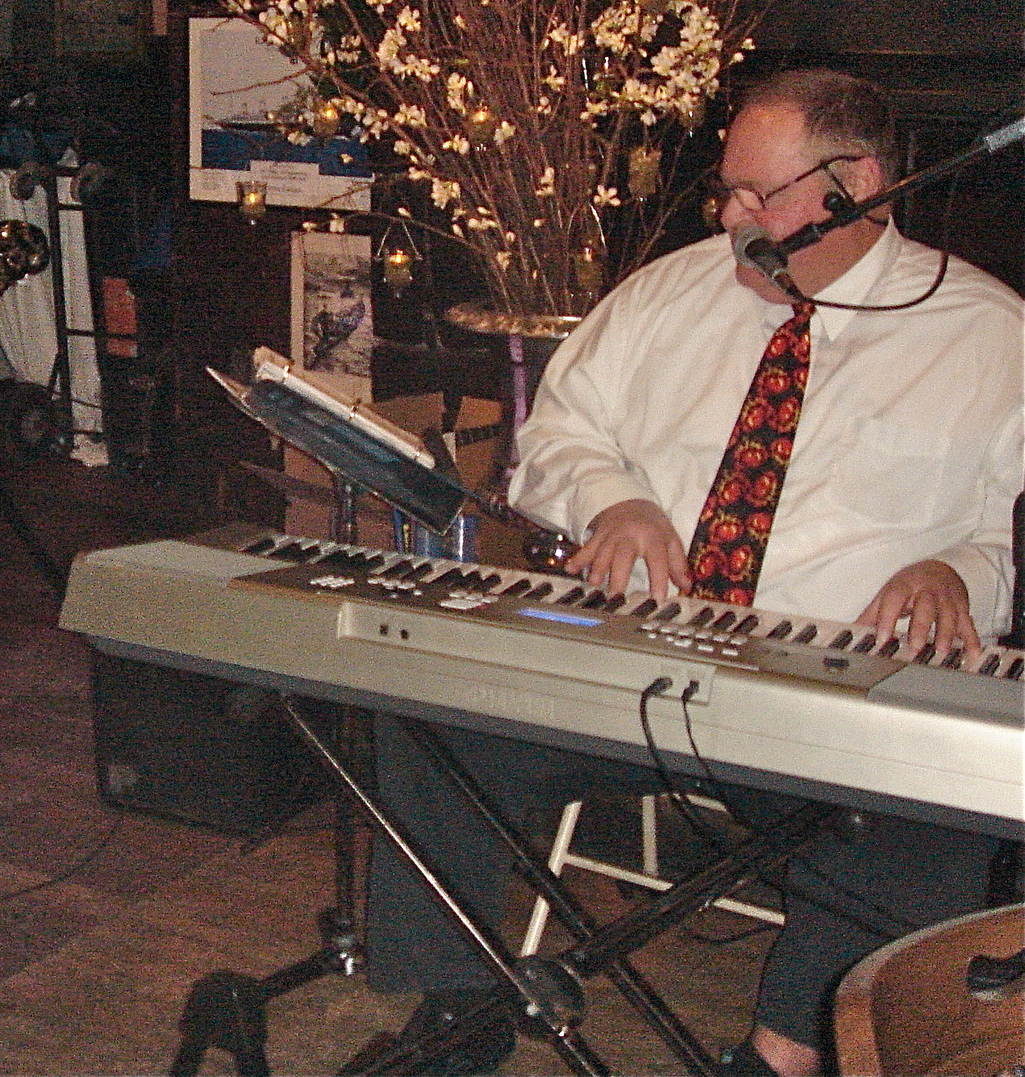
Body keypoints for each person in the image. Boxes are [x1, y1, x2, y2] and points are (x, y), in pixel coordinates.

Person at [366, 69, 1024, 1076]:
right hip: (637, 660)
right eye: (724, 191)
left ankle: (779, 1056)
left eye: (759, 196)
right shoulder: (668, 294)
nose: (728, 216)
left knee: (933, 803)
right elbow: (552, 441)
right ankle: (459, 1007)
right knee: (426, 706)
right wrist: (611, 500)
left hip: (827, 691)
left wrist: (952, 572)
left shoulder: (986, 335)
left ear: (854, 184)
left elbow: (1004, 531)